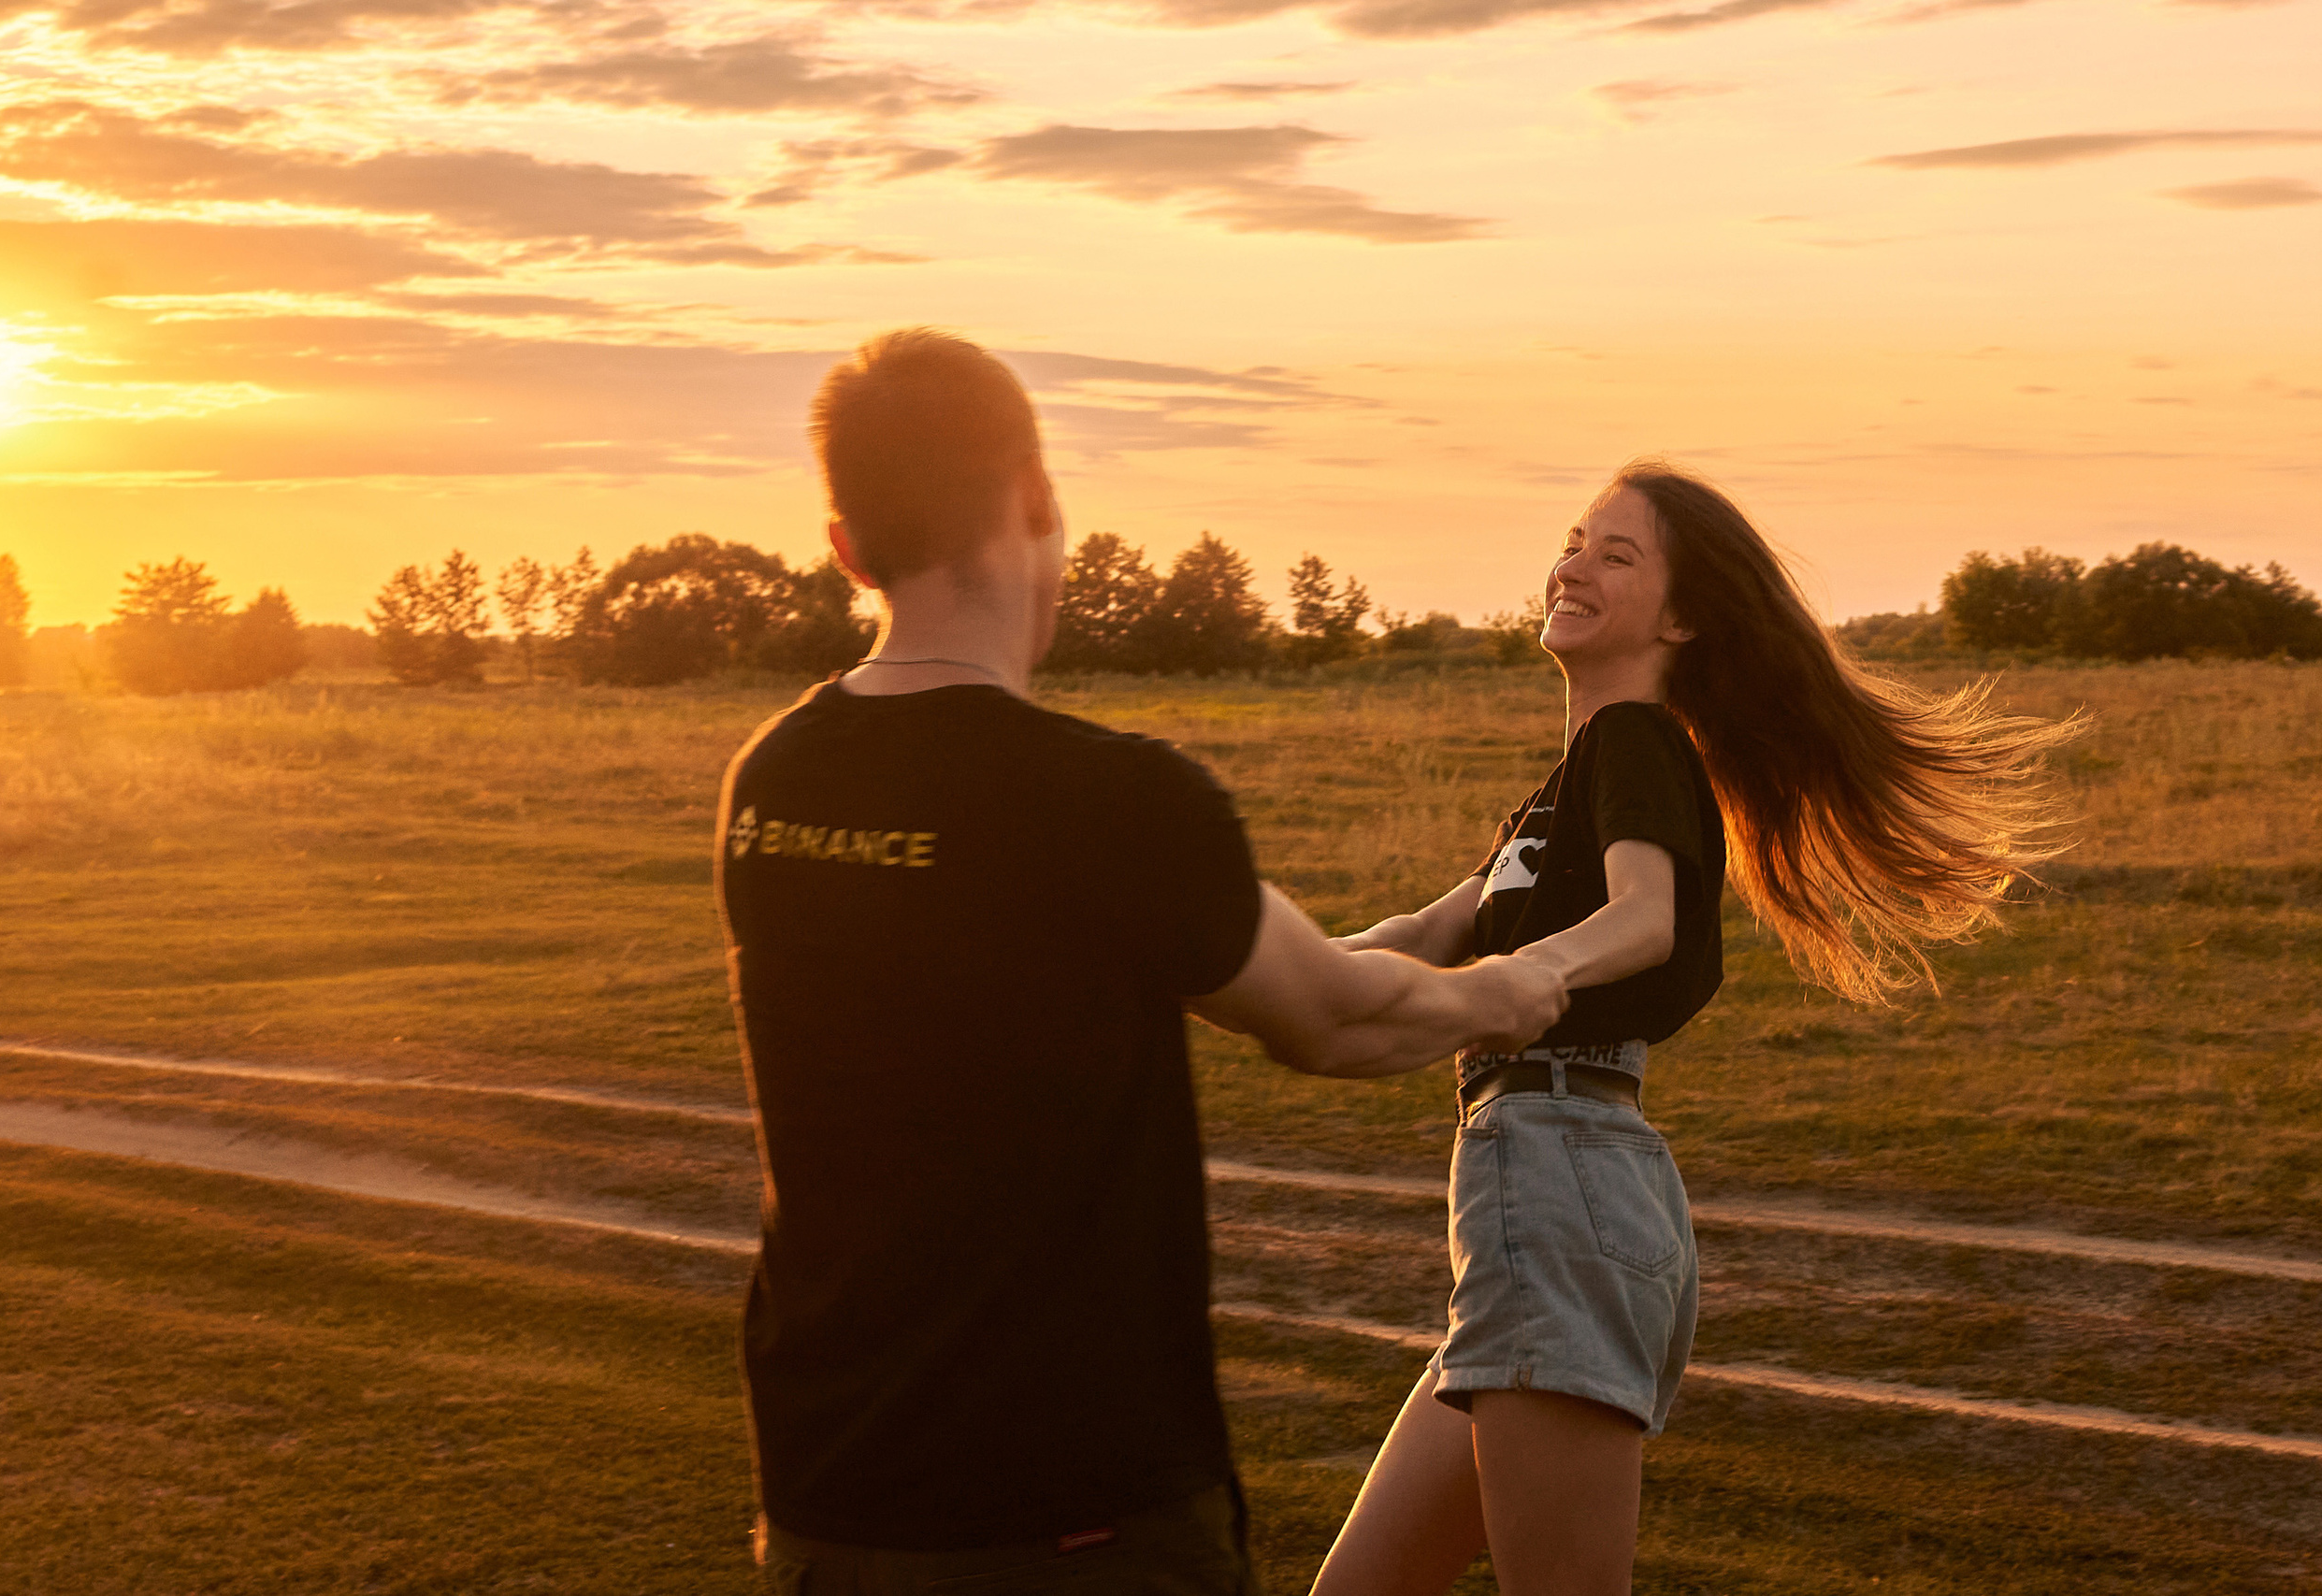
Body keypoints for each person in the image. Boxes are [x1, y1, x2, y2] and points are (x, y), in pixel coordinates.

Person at [714, 327, 1571, 1595]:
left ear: (846, 546)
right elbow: (1331, 1018)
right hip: (1074, 1511)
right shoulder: (1116, 799)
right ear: (1035, 502)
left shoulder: (771, 780)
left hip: (828, 1499)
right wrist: (1514, 986)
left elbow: (1242, 955)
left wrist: (1435, 924)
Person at [1309, 462, 2078, 1596]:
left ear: (1679, 618)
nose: (1572, 564)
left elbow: (1644, 920)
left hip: (1563, 1185)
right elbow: (1425, 929)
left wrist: (1523, 979)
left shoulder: (1636, 741)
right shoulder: (1562, 788)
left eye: (1615, 554)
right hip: (1544, 1200)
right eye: (1575, 540)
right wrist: (1218, 960)